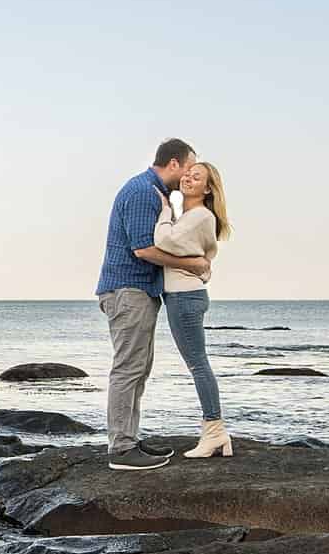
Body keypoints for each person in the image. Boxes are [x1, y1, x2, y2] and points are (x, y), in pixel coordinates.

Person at [94, 139, 212, 470]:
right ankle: (120, 449)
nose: (189, 174)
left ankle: (127, 439)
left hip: (137, 291)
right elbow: (142, 250)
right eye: (188, 167)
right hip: (127, 290)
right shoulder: (143, 191)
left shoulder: (153, 192)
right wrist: (194, 264)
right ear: (172, 163)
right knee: (129, 367)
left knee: (138, 368)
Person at [157, 160, 233, 458]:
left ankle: (214, 432)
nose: (188, 177)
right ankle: (216, 434)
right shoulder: (190, 215)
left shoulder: (200, 215)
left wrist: (164, 208)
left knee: (198, 365)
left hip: (184, 298)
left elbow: (163, 240)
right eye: (188, 173)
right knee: (198, 363)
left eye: (196, 176)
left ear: (208, 188)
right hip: (185, 296)